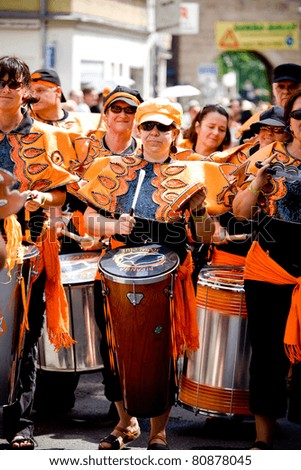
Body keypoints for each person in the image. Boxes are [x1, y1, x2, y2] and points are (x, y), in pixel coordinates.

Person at [77, 97, 215, 450]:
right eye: (148, 126)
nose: (154, 133)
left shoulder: (192, 173)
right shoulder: (111, 168)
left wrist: (199, 212)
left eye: (163, 127)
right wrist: (112, 224)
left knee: (162, 352)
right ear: (138, 129)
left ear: (176, 132)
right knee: (115, 351)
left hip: (168, 277)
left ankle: (159, 430)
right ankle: (124, 424)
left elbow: (204, 237)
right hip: (114, 274)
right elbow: (89, 223)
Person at [0, 55, 79, 449]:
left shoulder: (46, 136)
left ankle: (21, 423)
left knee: (24, 337)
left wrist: (39, 196)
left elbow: (63, 192)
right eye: (1, 83)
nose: (6, 90)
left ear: (26, 90)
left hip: (30, 244)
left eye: (14, 84)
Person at [232, 89, 301, 449]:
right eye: (300, 114)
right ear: (290, 121)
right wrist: (258, 181)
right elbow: (240, 212)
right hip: (269, 267)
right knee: (267, 354)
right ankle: (263, 438)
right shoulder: (267, 155)